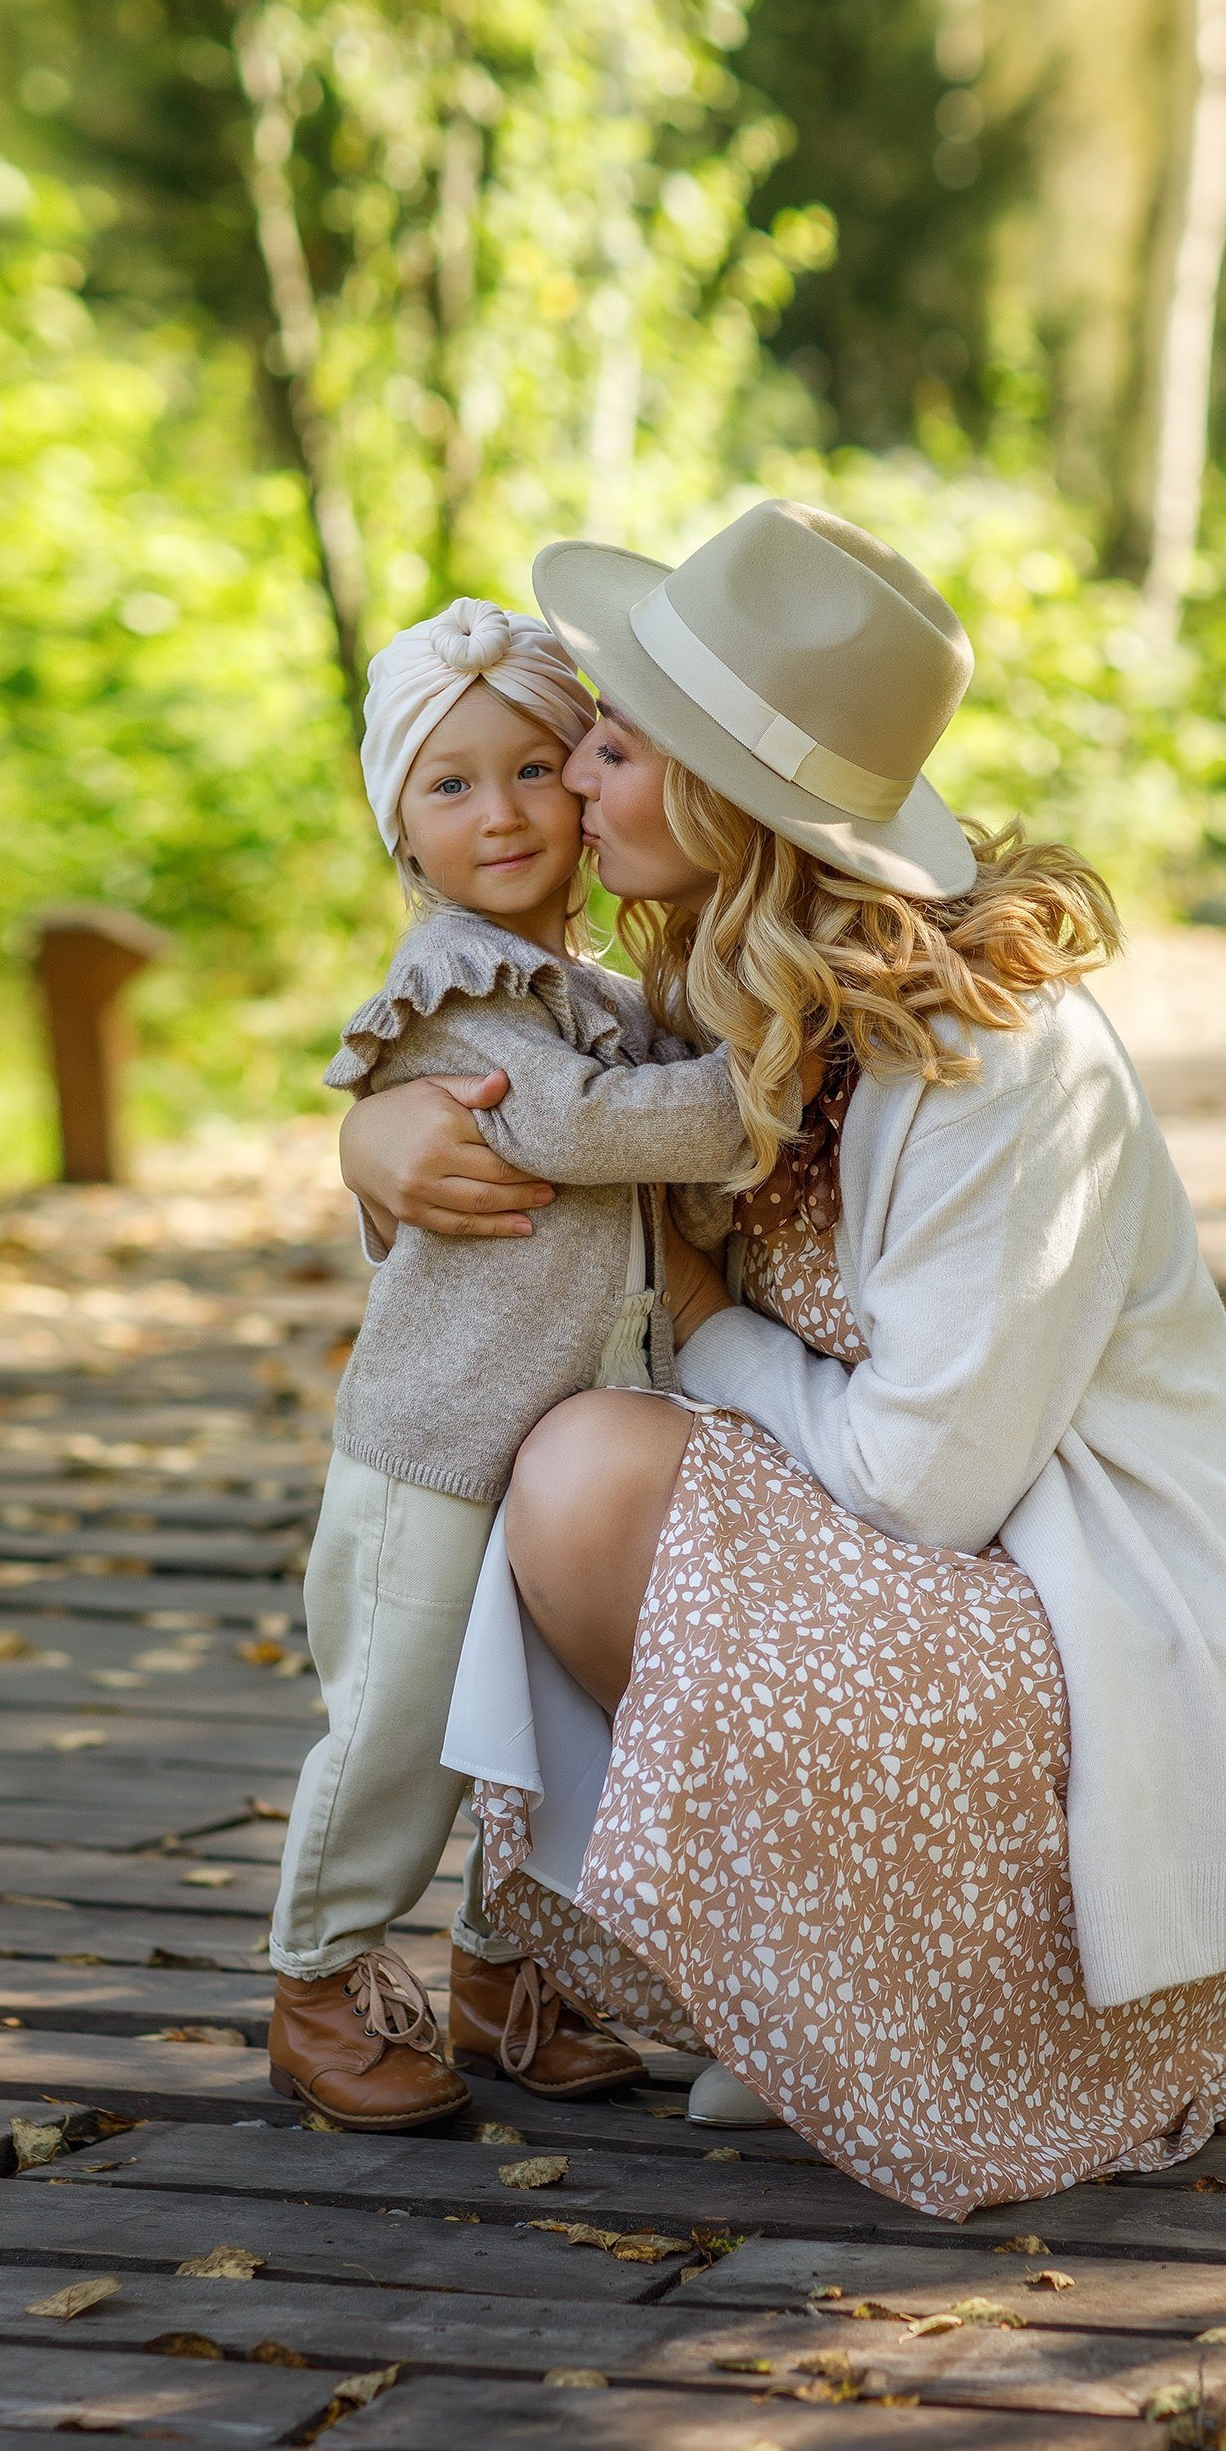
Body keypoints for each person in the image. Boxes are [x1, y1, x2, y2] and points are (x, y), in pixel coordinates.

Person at [342, 500, 1226, 2218]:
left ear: (727, 797)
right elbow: (513, 1109)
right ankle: (783, 1982)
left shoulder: (993, 1060)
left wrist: (712, 1332)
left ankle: (937, 2003)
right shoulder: (721, 988)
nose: (569, 782)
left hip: (1065, 1600)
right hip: (884, 1547)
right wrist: (373, 1143)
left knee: (583, 1474)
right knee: (564, 1451)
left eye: (612, 747)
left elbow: (927, 1481)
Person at [267, 596, 749, 2135]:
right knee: (402, 1734)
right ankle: (317, 1979)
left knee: (541, 1740)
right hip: (435, 1450)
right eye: (450, 784)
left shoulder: (596, 993)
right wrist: (775, 1074)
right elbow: (573, 1127)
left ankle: (503, 1974)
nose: (503, 813)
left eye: (538, 768)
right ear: (400, 826)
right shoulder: (455, 988)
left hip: (560, 1456)